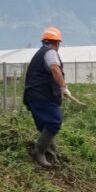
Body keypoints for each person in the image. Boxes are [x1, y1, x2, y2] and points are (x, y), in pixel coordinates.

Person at [23, 26, 71, 167]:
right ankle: (38, 152)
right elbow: (55, 69)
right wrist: (63, 88)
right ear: (57, 43)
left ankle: (51, 155)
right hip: (42, 95)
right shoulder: (50, 52)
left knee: (45, 125)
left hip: (33, 95)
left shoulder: (40, 52)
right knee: (55, 121)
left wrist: (63, 86)